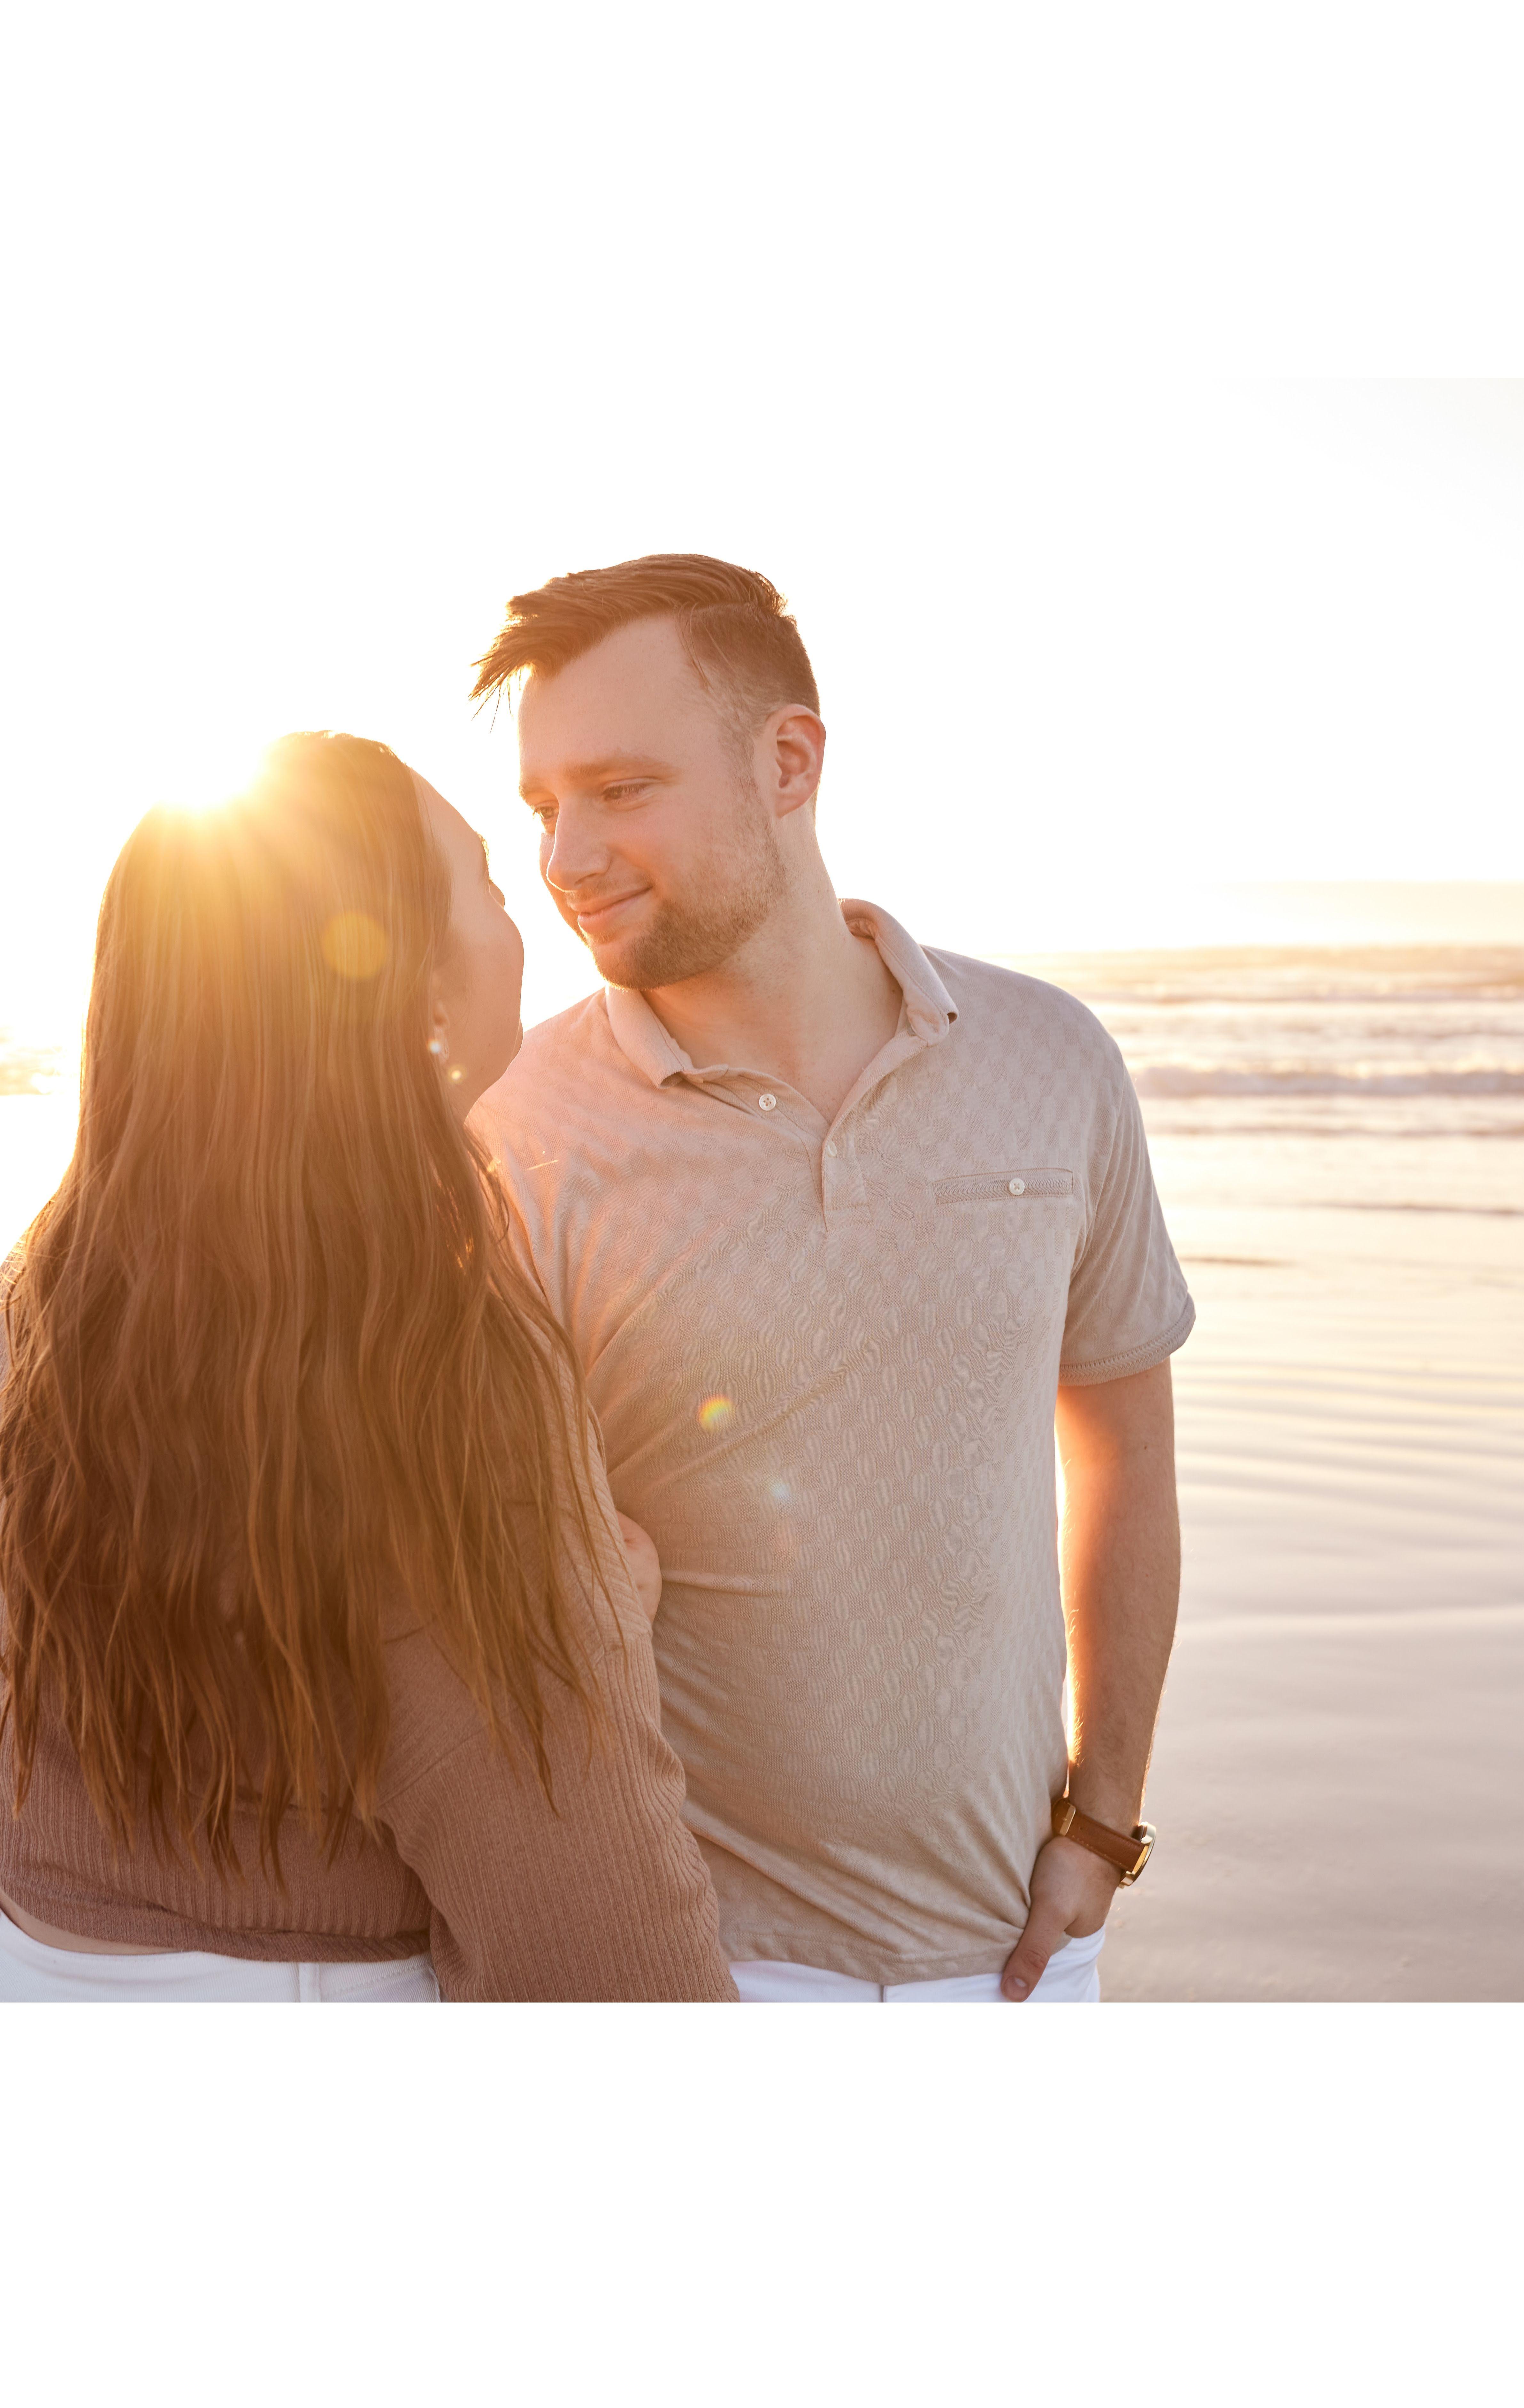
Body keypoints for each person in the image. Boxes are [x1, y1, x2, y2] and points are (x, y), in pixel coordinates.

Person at [0, 732, 735, 2003]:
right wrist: (588, 1638)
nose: (524, 904)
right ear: (406, 984)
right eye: (482, 883)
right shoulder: (435, 1370)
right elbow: (608, 1957)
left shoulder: (71, 1259)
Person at [471, 555, 1192, 2004]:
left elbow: (1123, 1448)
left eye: (621, 788)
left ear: (786, 761)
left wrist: (1100, 1829)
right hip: (691, 1957)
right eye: (545, 807)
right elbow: (492, 1587)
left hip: (1020, 1951)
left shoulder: (1050, 1060)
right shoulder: (519, 1129)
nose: (565, 856)